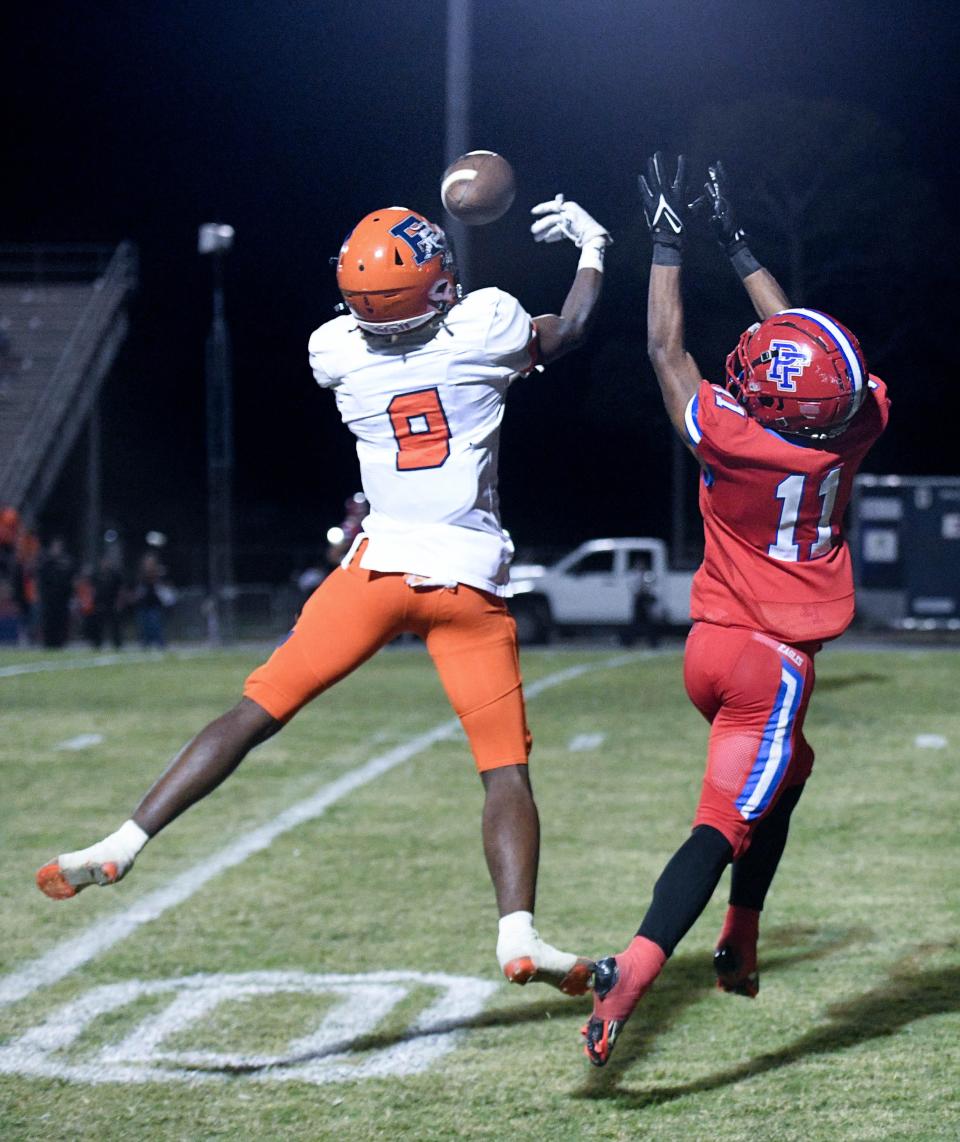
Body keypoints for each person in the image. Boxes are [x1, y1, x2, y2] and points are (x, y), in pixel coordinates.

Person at [37, 196, 611, 995]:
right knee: (503, 770)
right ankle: (517, 932)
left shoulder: (335, 348)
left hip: (372, 576)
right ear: (438, 287)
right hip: (466, 582)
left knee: (255, 708)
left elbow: (391, 320)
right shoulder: (485, 327)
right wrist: (592, 247)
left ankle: (125, 840)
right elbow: (571, 328)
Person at [582, 156, 890, 1066]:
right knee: (721, 824)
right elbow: (803, 349)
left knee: (788, 774)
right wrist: (743, 246)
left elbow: (665, 351)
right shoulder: (858, 423)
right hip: (774, 666)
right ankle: (631, 975)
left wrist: (673, 239)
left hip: (711, 647)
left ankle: (739, 940)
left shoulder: (735, 434)